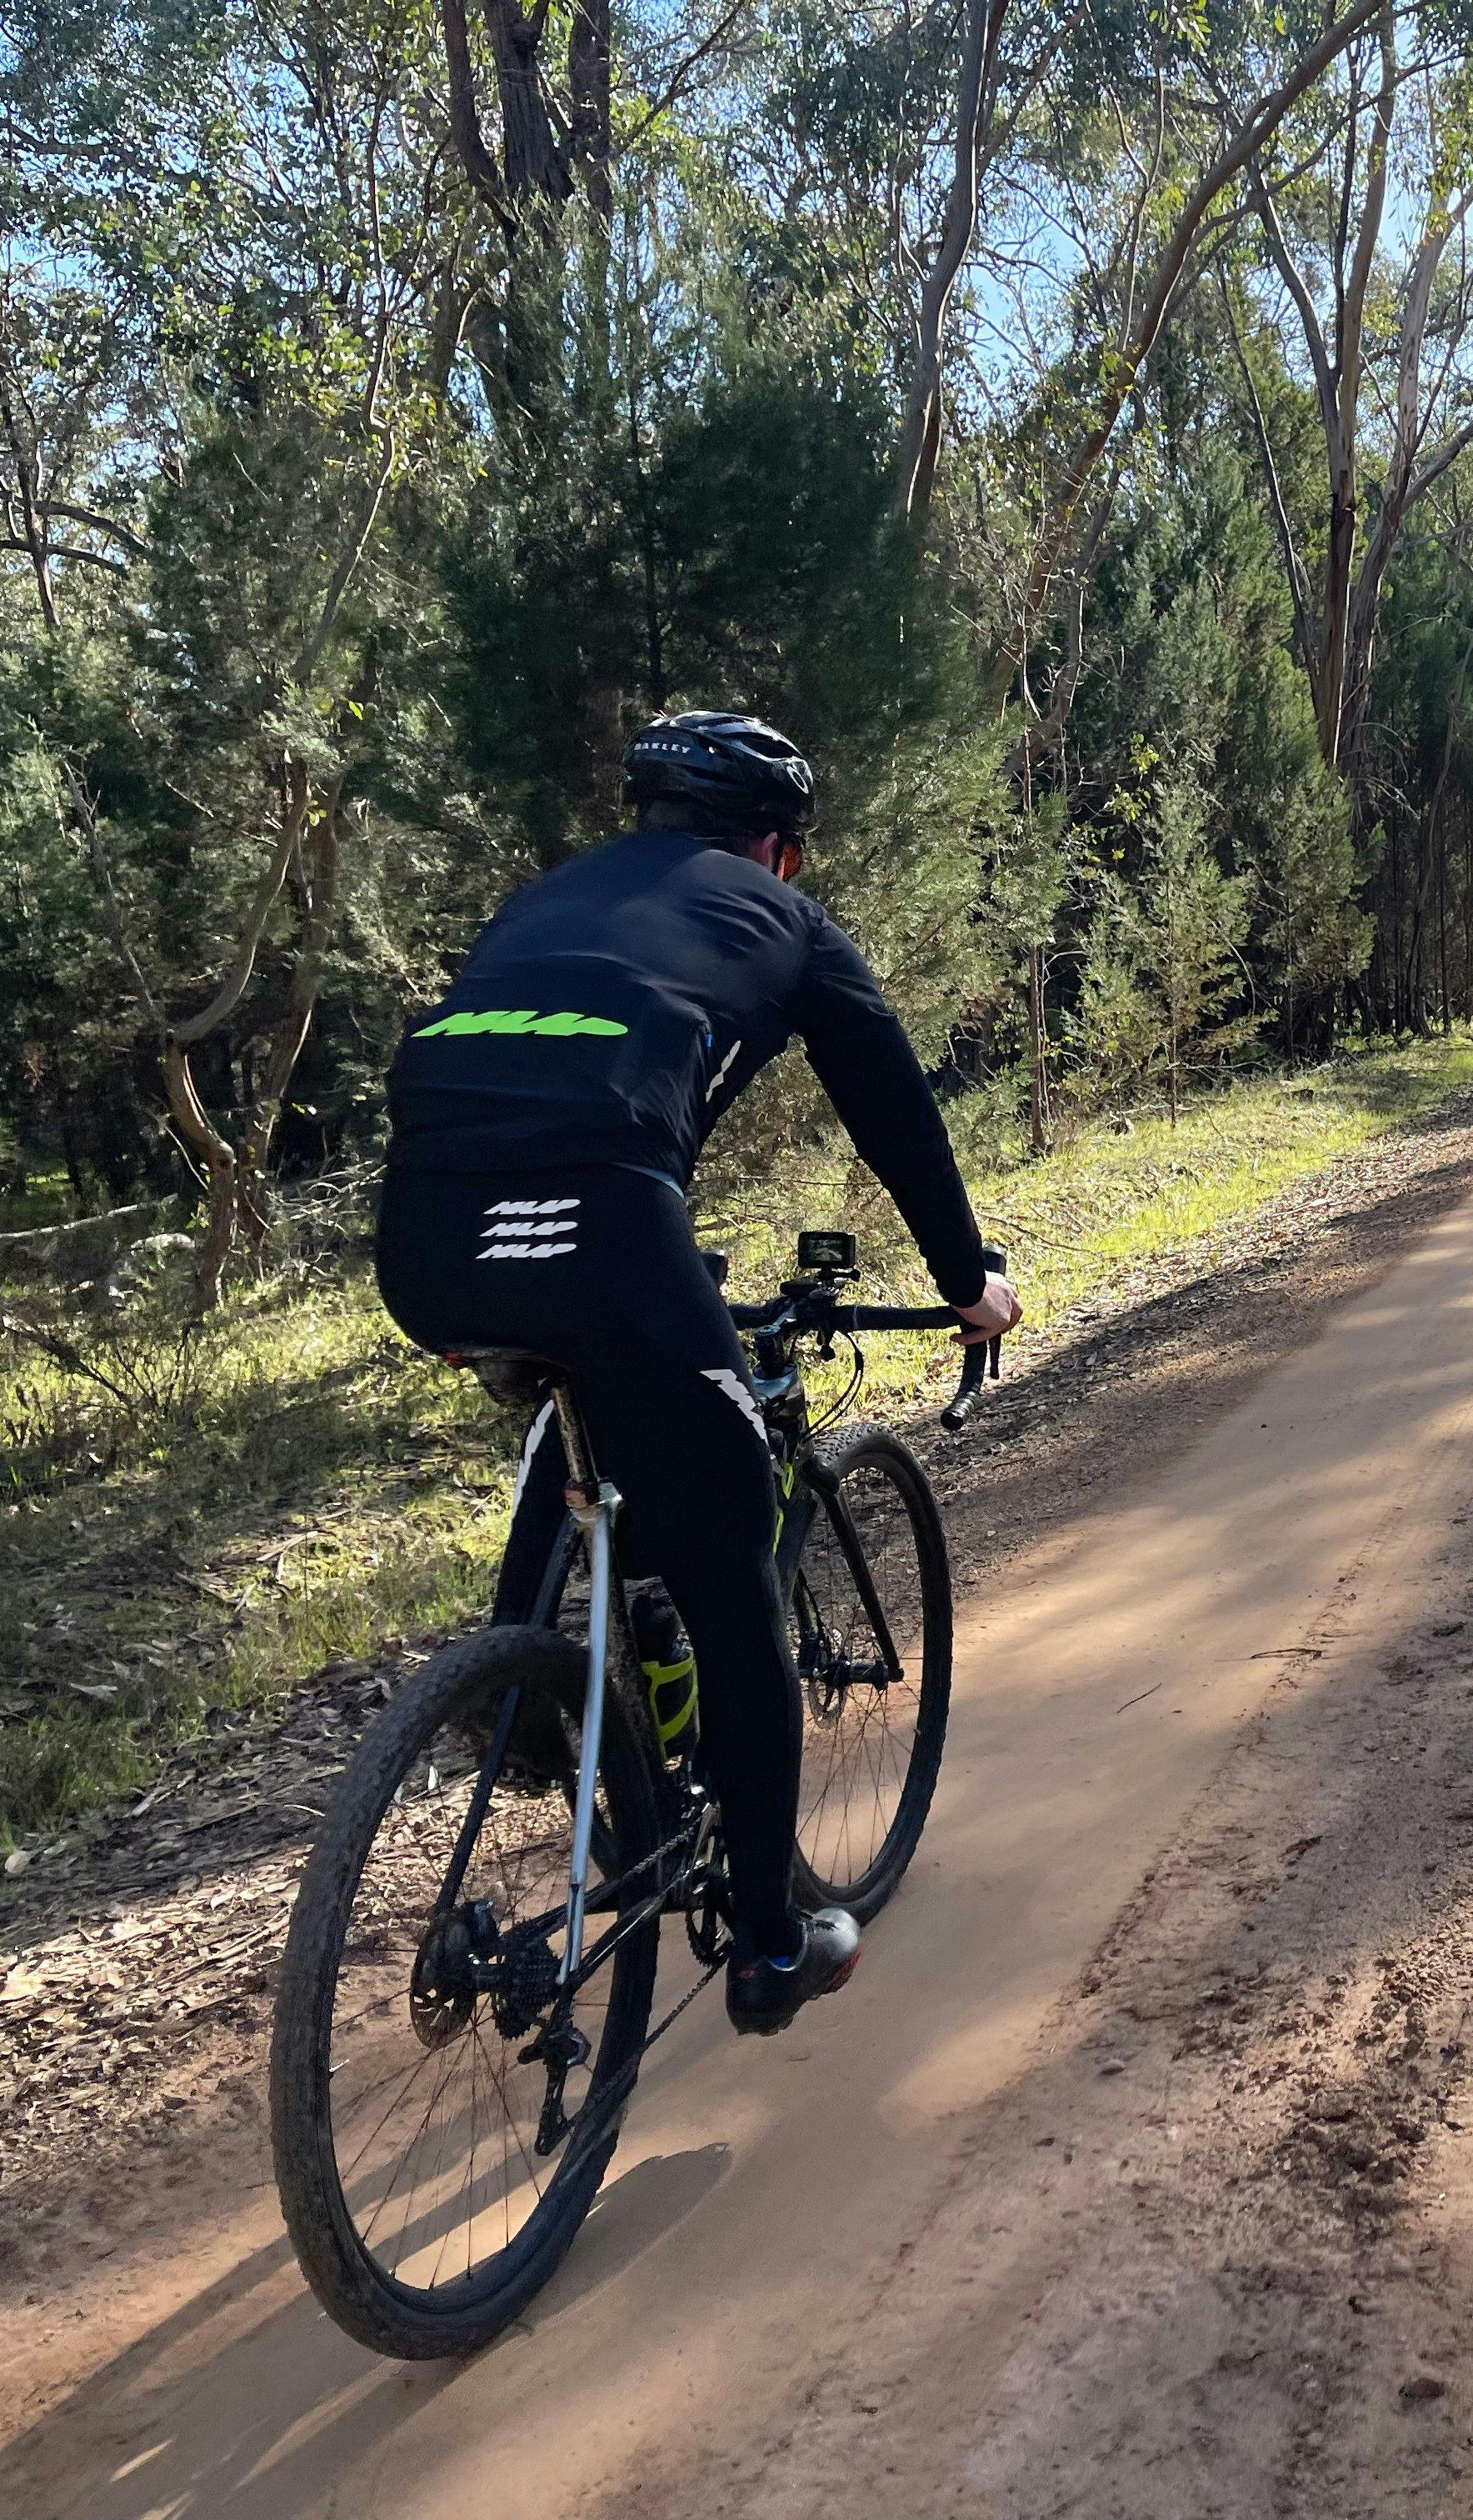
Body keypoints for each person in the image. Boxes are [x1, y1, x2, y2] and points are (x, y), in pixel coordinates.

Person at [374, 710, 1018, 2035]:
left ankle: (526, 1694)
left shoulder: (544, 897)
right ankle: (774, 1946)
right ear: (776, 851)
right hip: (602, 1224)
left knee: (583, 1374)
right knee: (730, 1558)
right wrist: (969, 1282)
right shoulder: (787, 924)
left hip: (423, 1237)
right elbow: (895, 1113)